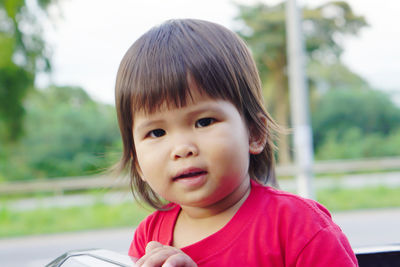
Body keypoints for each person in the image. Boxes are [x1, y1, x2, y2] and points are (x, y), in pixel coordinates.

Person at [114, 19, 358, 267]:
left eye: (204, 121)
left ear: (254, 133)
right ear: (138, 164)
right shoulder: (149, 238)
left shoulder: (299, 227)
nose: (181, 148)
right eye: (156, 133)